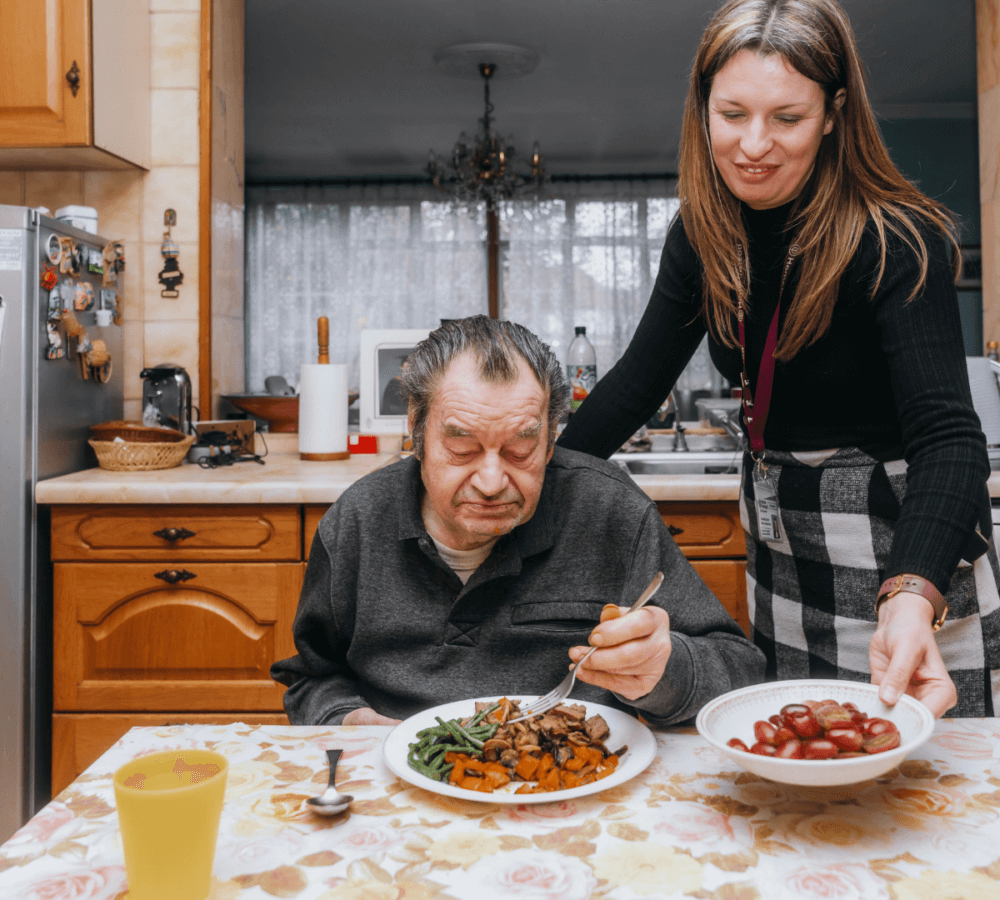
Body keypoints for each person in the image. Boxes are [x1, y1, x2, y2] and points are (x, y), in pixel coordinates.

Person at [559, 0, 999, 719]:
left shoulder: (898, 239)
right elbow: (633, 389)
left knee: (922, 786)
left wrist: (914, 594)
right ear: (702, 109)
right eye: (732, 114)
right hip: (784, 540)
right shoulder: (701, 237)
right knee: (801, 763)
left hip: (908, 547)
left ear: (834, 114)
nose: (753, 145)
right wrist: (527, 483)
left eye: (787, 118)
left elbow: (949, 442)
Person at [271, 316, 764, 726]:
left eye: (520, 450)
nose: (490, 481)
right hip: (399, 785)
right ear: (416, 429)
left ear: (550, 439)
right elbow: (313, 677)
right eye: (462, 449)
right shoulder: (357, 521)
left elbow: (740, 673)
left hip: (575, 787)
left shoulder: (611, 512)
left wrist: (665, 668)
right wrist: (346, 719)